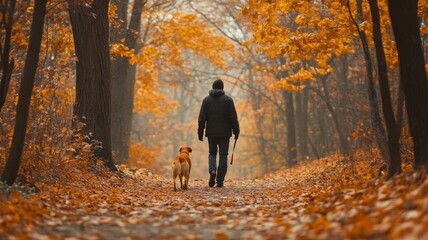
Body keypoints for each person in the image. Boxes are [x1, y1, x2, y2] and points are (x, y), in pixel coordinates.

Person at [198, 79, 240, 188]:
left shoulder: (206, 100)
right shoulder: (228, 100)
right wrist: (236, 131)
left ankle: (212, 170)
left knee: (212, 153)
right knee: (223, 156)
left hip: (211, 133)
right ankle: (220, 180)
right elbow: (233, 118)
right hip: (225, 134)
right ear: (222, 88)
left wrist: (200, 132)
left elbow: (202, 118)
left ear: (212, 87)